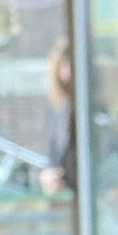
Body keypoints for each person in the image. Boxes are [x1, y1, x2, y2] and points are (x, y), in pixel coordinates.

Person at [41, 38, 75, 194]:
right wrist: (49, 174)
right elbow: (54, 156)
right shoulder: (61, 111)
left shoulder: (95, 109)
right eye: (65, 63)